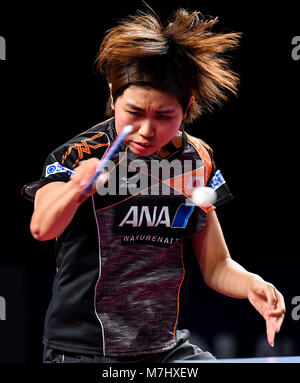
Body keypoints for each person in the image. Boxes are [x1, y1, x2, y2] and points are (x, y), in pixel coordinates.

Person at [23, 6, 285, 363]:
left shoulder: (197, 158)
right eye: (134, 112)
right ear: (114, 95)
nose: (148, 130)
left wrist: (252, 284)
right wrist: (76, 189)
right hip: (84, 351)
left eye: (164, 117)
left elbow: (217, 265)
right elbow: (41, 227)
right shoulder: (78, 155)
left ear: (186, 107)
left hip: (164, 350)